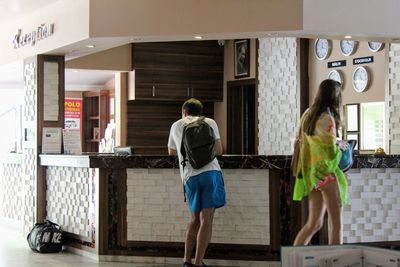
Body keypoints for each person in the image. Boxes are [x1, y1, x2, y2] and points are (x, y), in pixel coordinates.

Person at [168, 98, 226, 267]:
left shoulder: (176, 125)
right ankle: (199, 262)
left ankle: (186, 261)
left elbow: (171, 152)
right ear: (200, 112)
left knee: (194, 219)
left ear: (184, 112)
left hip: (190, 176)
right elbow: (219, 150)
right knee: (206, 218)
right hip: (211, 173)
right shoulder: (210, 122)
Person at [292, 79, 348, 245]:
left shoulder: (307, 114)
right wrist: (342, 146)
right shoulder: (327, 118)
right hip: (327, 174)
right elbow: (329, 151)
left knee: (314, 224)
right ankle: (334, 262)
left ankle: (293, 260)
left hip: (311, 174)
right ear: (335, 97)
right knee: (336, 225)